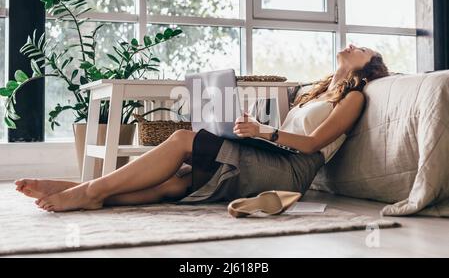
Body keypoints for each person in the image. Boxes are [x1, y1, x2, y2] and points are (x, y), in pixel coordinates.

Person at [15, 44, 390, 212]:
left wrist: (263, 132)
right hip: (274, 157)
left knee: (182, 140)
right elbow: (285, 134)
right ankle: (86, 193)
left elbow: (311, 144)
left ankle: (86, 190)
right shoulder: (317, 90)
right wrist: (248, 127)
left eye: (364, 49)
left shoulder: (354, 96)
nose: (353, 45)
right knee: (175, 183)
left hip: (293, 172)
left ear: (368, 67)